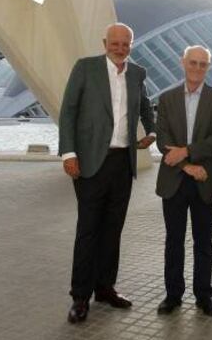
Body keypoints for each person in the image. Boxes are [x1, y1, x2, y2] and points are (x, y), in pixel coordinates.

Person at [59, 23, 155, 323]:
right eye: (115, 43)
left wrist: (151, 131)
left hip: (121, 163)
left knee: (113, 230)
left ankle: (105, 288)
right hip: (90, 162)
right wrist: (69, 153)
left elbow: (145, 107)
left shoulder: (137, 73)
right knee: (88, 231)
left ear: (131, 45)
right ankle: (79, 296)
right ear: (105, 43)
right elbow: (69, 111)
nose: (120, 48)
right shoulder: (85, 68)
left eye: (126, 44)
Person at [156, 45, 212, 316]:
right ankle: (173, 296)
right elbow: (163, 139)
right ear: (182, 63)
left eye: (203, 64)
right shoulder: (166, 99)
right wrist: (188, 166)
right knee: (173, 241)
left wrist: (186, 152)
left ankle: (203, 296)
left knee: (204, 242)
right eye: (193, 63)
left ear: (208, 67)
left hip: (205, 181)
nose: (197, 68)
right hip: (175, 180)